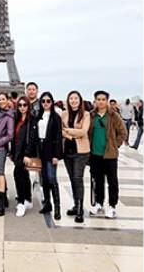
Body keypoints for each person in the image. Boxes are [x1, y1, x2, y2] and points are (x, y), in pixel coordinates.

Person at [88, 90, 127, 219]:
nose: (101, 102)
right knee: (98, 181)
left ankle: (112, 206)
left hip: (110, 155)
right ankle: (99, 204)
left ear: (107, 101)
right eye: (98, 99)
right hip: (95, 154)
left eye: (103, 99)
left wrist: (115, 145)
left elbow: (123, 132)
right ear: (95, 101)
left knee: (112, 181)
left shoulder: (113, 115)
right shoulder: (92, 115)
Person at [61, 91, 91, 223]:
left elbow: (83, 131)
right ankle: (75, 204)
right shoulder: (64, 114)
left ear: (80, 100)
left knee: (78, 178)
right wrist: (70, 135)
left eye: (76, 98)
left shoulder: (86, 114)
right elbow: (60, 130)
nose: (73, 100)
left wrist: (68, 131)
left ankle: (79, 210)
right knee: (72, 179)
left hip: (81, 151)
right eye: (71, 98)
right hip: (67, 151)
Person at [36, 91, 63, 220]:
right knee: (44, 179)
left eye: (48, 101)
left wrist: (56, 155)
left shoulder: (56, 117)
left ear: (52, 102)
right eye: (43, 101)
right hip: (40, 149)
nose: (45, 103)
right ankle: (48, 204)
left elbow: (58, 137)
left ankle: (57, 207)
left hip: (51, 150)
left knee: (52, 178)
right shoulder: (38, 115)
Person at [11, 96, 37, 217]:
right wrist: (12, 153)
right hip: (17, 152)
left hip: (24, 153)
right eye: (20, 105)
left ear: (28, 106)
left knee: (17, 174)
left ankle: (21, 202)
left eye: (24, 105)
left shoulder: (31, 120)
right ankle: (28, 199)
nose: (22, 107)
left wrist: (27, 154)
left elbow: (32, 138)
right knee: (24, 175)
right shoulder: (17, 119)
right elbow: (14, 138)